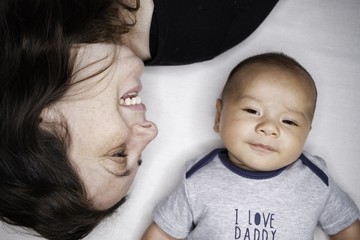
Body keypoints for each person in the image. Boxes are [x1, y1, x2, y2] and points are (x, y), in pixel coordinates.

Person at [0, 0, 279, 239]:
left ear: (44, 123)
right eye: (138, 157)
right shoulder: (210, 23)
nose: (151, 132)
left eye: (119, 153)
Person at [142, 53, 360, 240]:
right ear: (219, 116)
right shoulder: (198, 179)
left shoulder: (315, 180)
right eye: (252, 111)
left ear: (307, 133)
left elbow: (348, 227)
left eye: (290, 122)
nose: (268, 128)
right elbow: (164, 233)